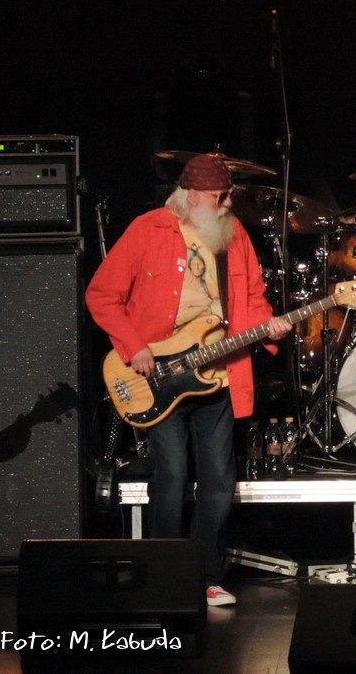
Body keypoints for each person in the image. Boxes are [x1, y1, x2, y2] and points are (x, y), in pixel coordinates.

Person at [86, 153, 291, 607]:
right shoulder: (147, 229)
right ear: (193, 195)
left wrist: (269, 325)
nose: (228, 203)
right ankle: (165, 575)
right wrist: (134, 346)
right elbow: (101, 295)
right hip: (159, 378)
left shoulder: (234, 235)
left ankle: (208, 576)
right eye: (220, 196)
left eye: (229, 194)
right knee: (173, 475)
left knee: (218, 482)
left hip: (218, 376)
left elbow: (253, 297)